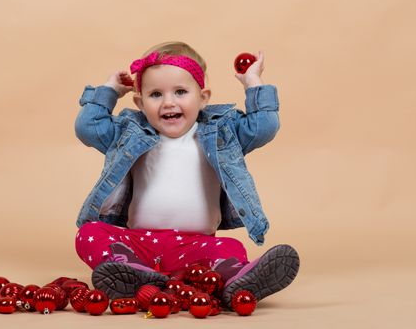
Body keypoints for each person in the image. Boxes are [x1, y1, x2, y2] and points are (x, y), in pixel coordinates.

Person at [74, 41, 299, 309]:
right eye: (155, 94)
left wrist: (253, 82)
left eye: (180, 92)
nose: (169, 102)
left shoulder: (222, 133)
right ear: (140, 102)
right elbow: (88, 127)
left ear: (203, 98)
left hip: (196, 246)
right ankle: (133, 273)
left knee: (230, 249)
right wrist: (109, 91)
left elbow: (265, 127)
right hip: (139, 245)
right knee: (89, 233)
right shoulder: (130, 132)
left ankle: (235, 280)